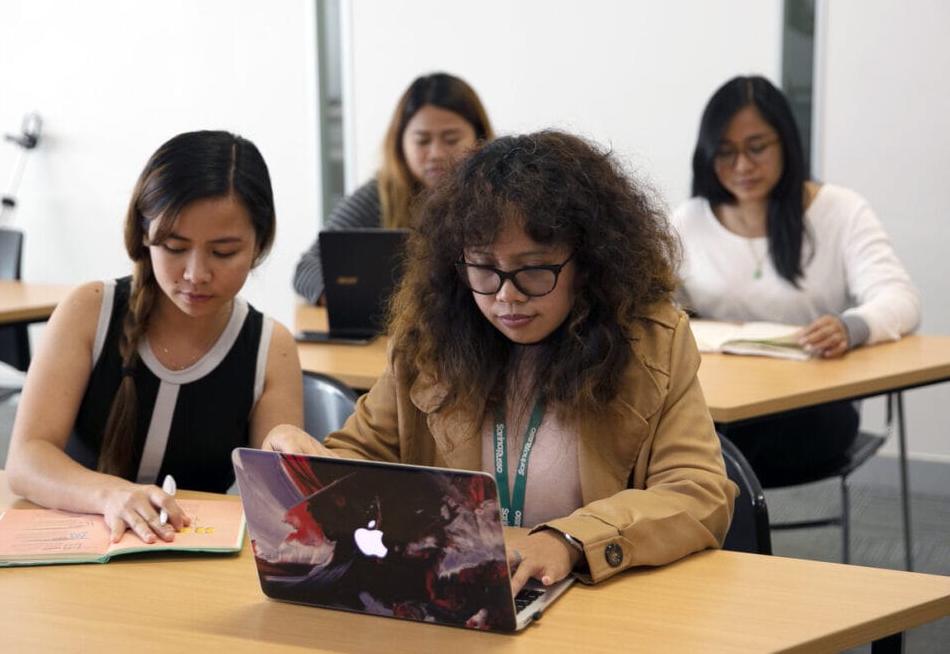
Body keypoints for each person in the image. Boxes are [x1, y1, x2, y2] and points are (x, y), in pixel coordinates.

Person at [268, 130, 736, 595]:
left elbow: (697, 492)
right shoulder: (428, 342)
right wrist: (310, 462)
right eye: (484, 268)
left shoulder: (651, 345)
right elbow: (364, 456)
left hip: (598, 597)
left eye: (534, 269)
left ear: (590, 263)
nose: (507, 295)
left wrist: (571, 539)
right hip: (459, 601)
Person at [5, 130, 303, 543]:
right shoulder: (90, 310)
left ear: (260, 244)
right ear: (144, 235)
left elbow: (278, 497)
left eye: (223, 252)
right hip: (74, 549)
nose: (195, 273)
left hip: (186, 561)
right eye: (174, 246)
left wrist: (293, 462)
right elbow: (26, 459)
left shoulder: (271, 348)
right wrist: (111, 495)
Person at [672, 75, 921, 481]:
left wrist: (851, 326)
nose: (743, 166)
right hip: (714, 404)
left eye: (757, 148)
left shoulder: (839, 211)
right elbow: (648, 300)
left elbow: (900, 297)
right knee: (683, 441)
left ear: (786, 141)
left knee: (706, 456)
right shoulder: (689, 220)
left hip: (807, 409)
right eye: (726, 152)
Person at [293, 72, 494, 303]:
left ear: (479, 138)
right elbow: (308, 268)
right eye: (422, 140)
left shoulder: (496, 195)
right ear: (400, 143)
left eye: (451, 140)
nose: (436, 153)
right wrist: (359, 304)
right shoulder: (379, 196)